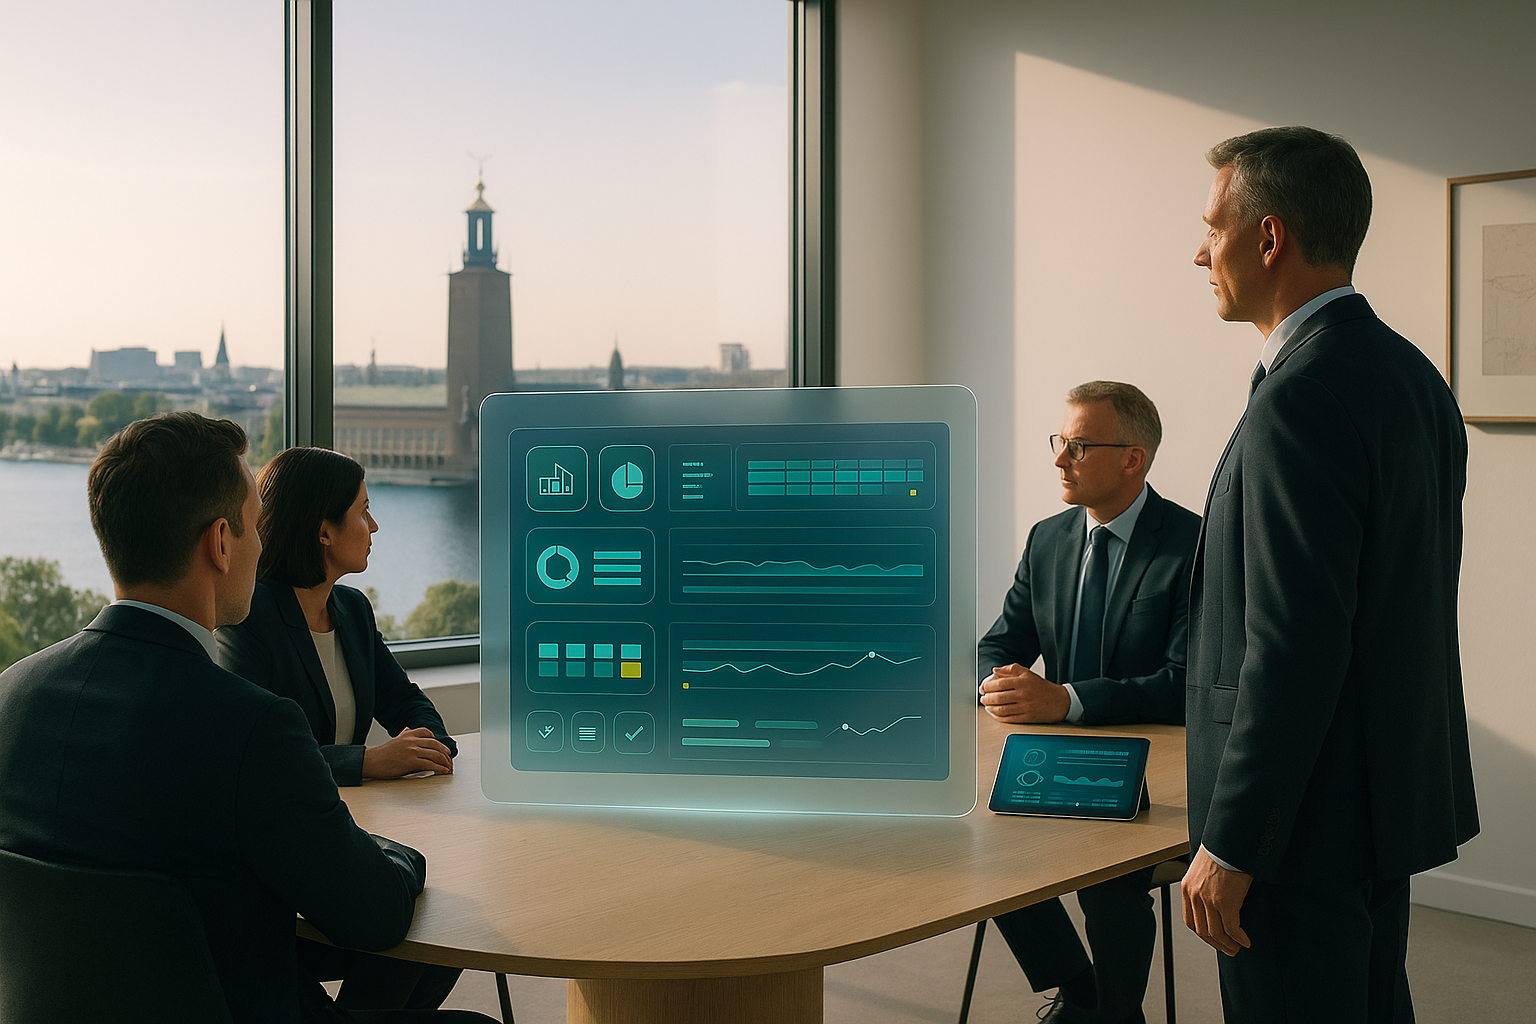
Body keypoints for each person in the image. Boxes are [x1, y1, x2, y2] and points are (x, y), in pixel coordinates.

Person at [0, 412, 493, 1024]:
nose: (264, 548)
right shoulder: (249, 727)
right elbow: (376, 913)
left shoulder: (12, 694)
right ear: (221, 542)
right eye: (256, 526)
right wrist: (403, 853)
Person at [1183, 126, 1478, 1023]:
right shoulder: (1412, 376)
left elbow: (1294, 644)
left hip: (1297, 827)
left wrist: (1233, 848)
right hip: (1375, 803)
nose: (1199, 251)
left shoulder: (1299, 398)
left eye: (1213, 228)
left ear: (1269, 238)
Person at [978, 381, 1200, 1024]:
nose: (1059, 460)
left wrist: (1066, 701)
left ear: (1133, 458)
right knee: (980, 842)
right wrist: (1001, 683)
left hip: (1152, 769)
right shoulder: (1048, 539)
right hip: (1050, 756)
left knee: (1109, 876)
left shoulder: (1192, 545)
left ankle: (1116, 1015)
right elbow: (997, 643)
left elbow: (1186, 683)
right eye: (1060, 442)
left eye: (1077, 445)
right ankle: (1080, 989)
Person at [217, 445, 461, 1012]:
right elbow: (258, 756)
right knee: (415, 930)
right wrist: (368, 761)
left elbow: (410, 703)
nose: (374, 526)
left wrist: (427, 743)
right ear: (323, 531)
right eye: (363, 512)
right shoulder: (248, 622)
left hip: (359, 831)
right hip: (293, 863)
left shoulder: (352, 609)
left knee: (443, 929)